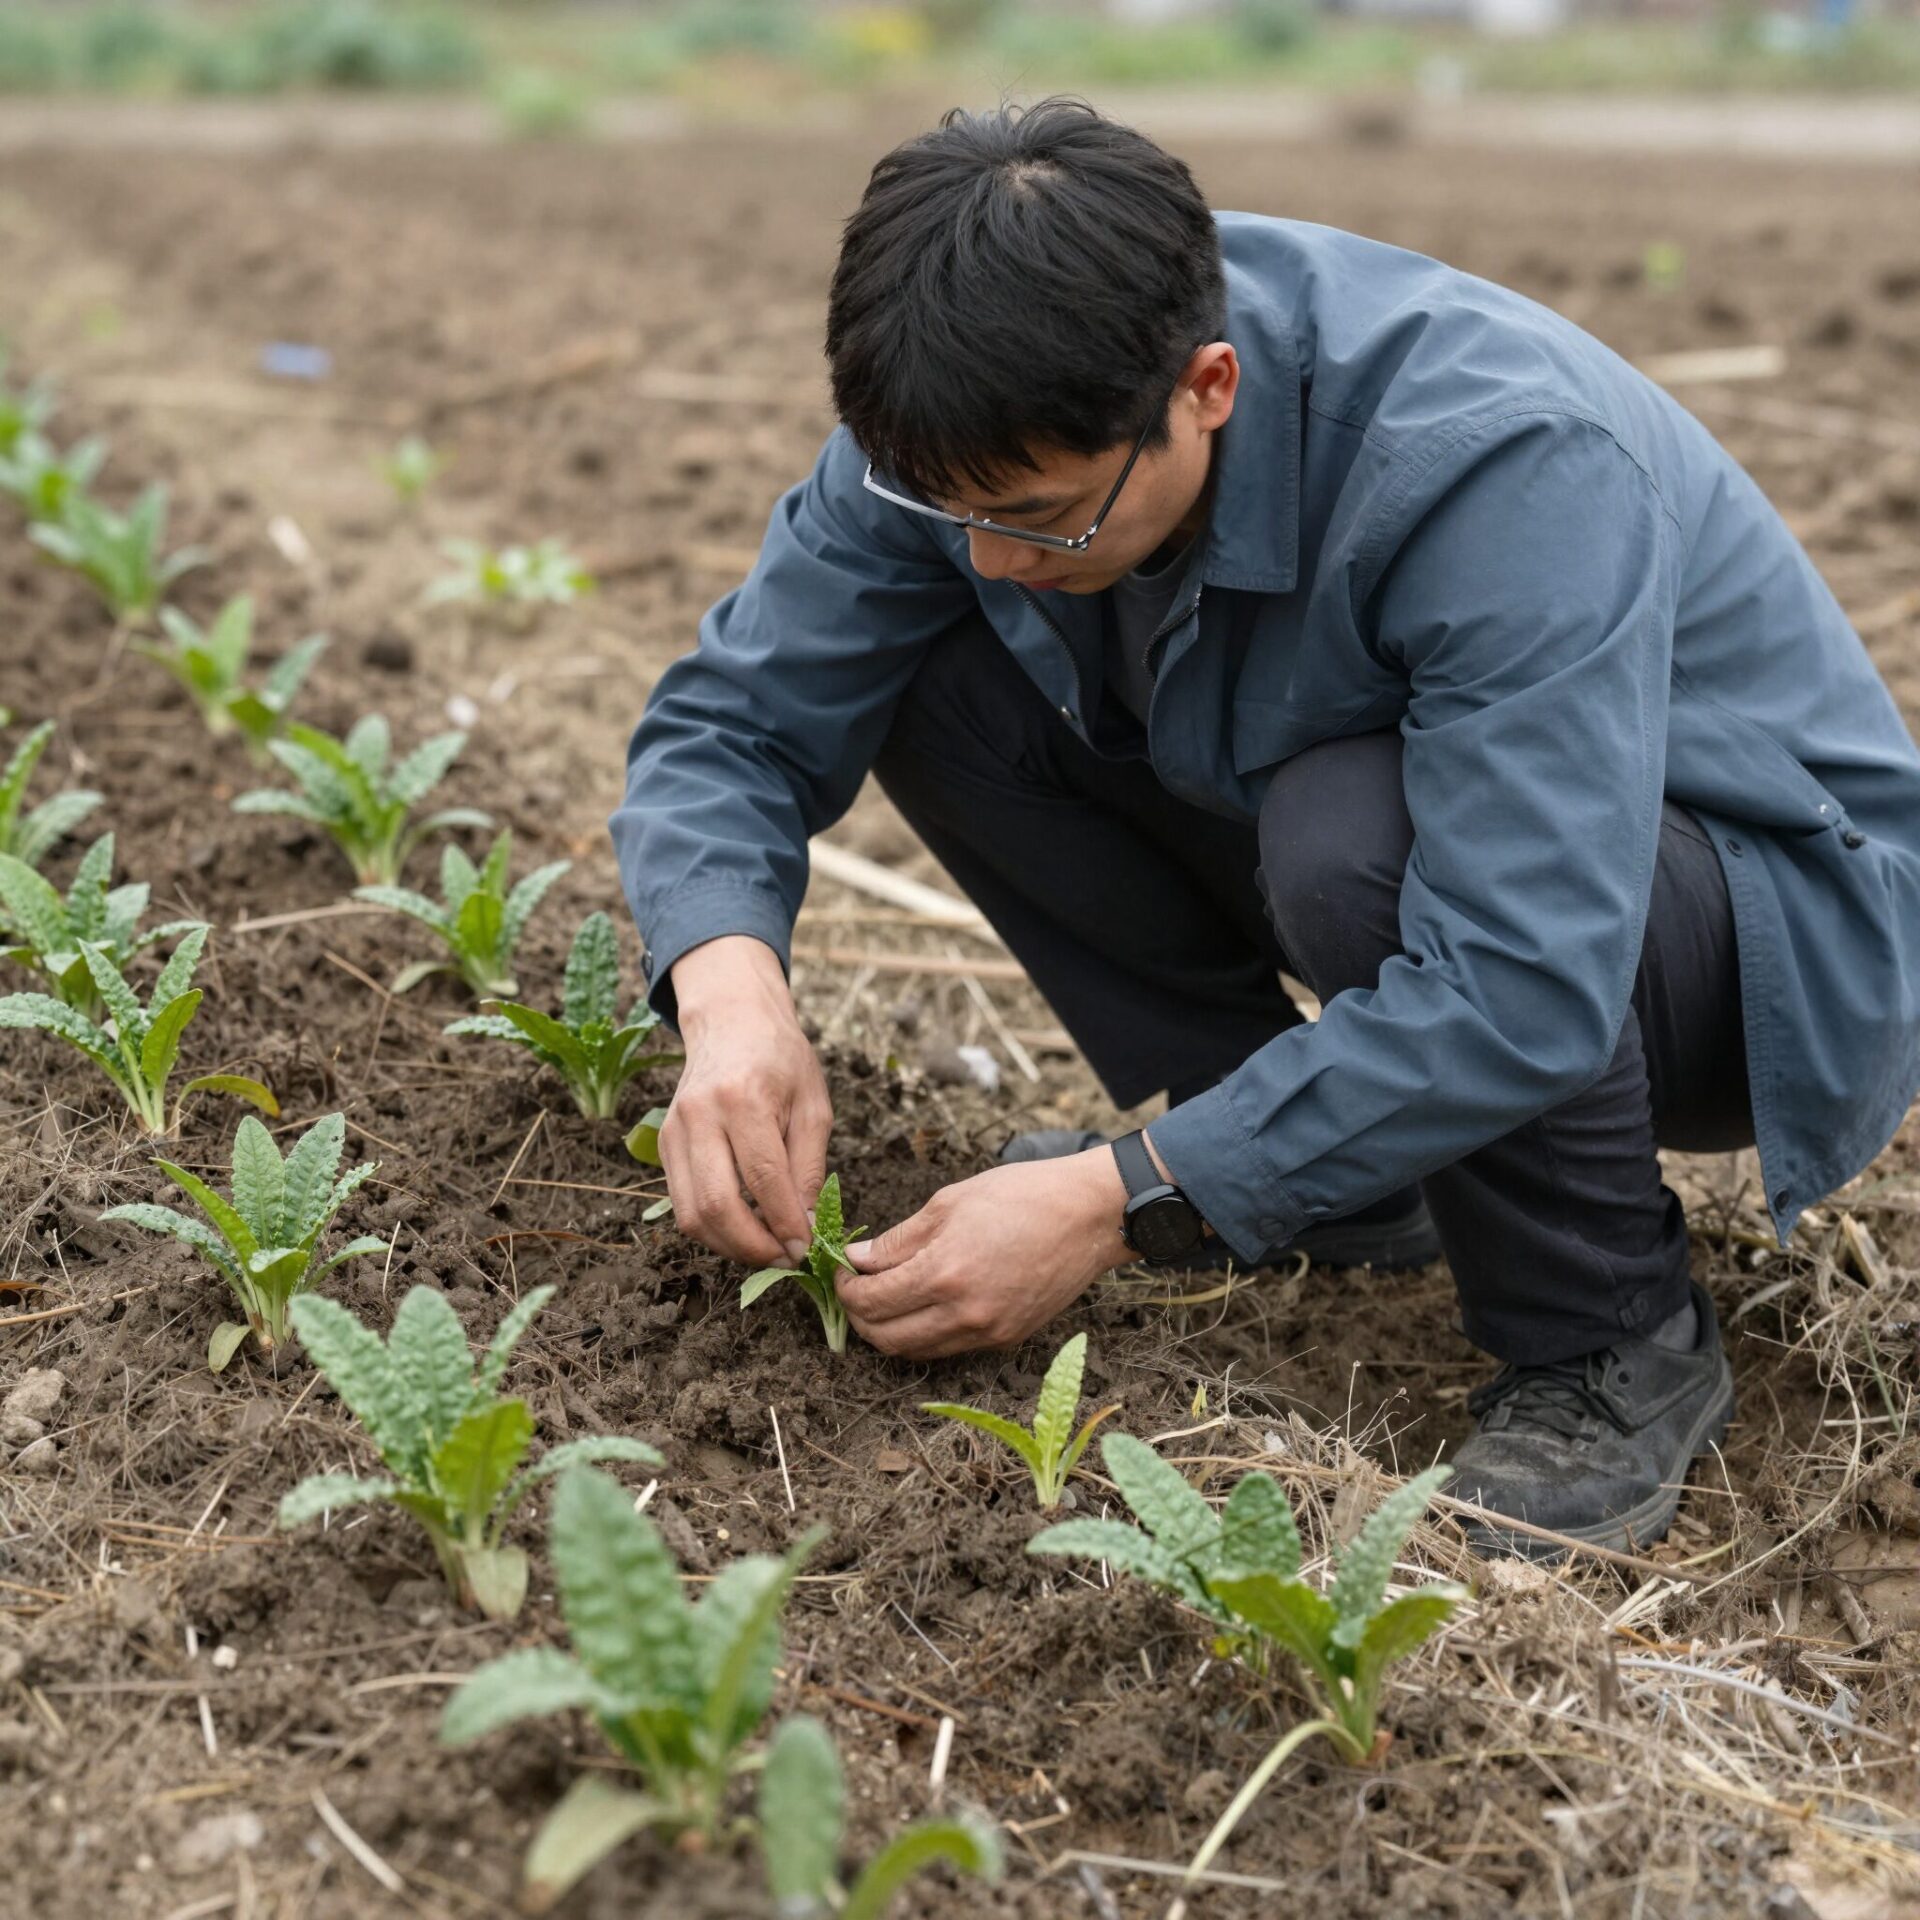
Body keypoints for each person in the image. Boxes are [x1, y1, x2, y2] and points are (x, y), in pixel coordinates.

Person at [610, 99, 1920, 1555]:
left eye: (1041, 515)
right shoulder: (973, 409)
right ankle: (1331, 1186)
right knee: (933, 668)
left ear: (1209, 388)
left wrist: (1117, 1201)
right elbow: (734, 718)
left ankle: (1609, 1338)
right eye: (947, 506)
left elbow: (1528, 976)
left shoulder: (1496, 457)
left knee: (1351, 834)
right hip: (1462, 872)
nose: (988, 552)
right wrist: (730, 1003)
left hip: (1752, 936)